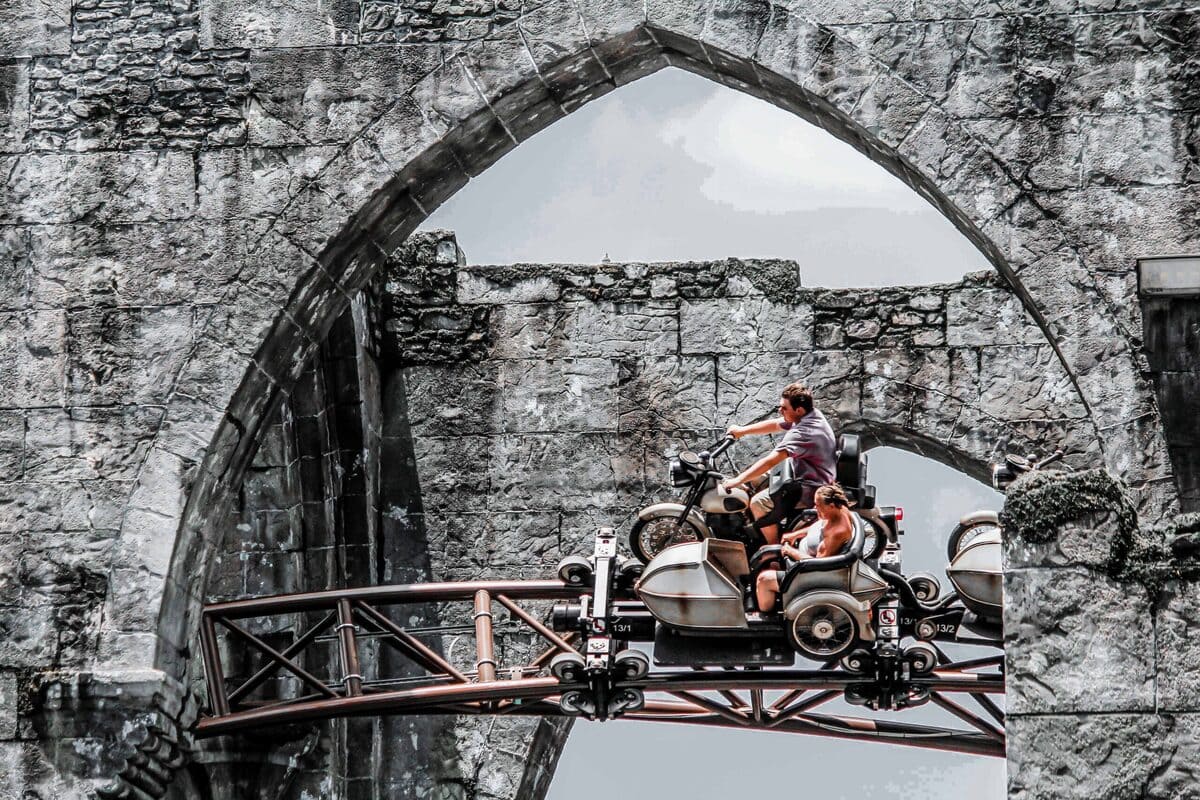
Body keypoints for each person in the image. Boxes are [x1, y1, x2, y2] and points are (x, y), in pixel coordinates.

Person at [720, 382, 836, 545]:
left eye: (784, 408)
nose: (780, 411)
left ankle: (772, 549)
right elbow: (775, 424)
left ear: (799, 410)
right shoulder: (810, 415)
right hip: (803, 472)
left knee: (758, 503)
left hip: (810, 487)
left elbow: (770, 461)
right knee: (753, 478)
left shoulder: (803, 433)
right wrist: (742, 430)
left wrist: (737, 481)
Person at [755, 484, 854, 613]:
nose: (815, 508)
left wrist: (790, 551)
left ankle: (767, 616)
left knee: (763, 580)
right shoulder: (837, 511)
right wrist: (794, 535)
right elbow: (819, 528)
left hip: (809, 573)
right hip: (799, 557)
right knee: (765, 554)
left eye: (818, 506)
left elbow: (818, 565)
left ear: (831, 505)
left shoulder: (837, 533)